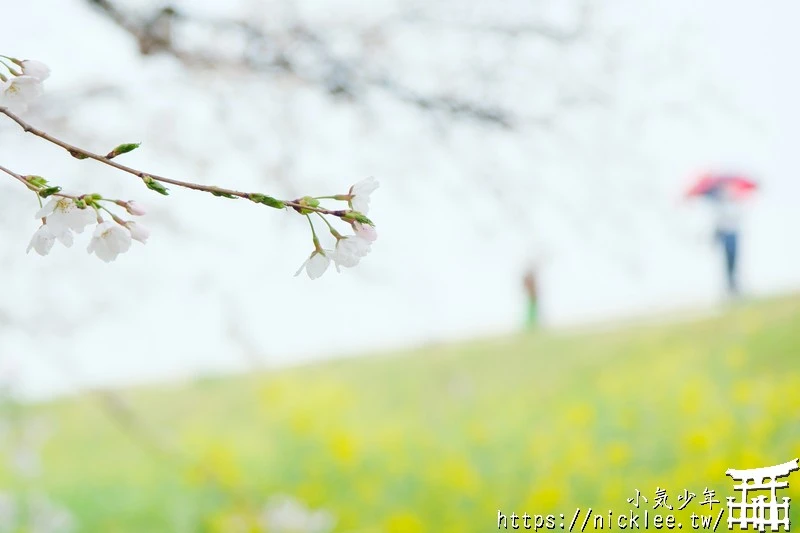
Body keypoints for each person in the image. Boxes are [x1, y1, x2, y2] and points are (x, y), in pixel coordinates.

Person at [713, 187, 743, 297]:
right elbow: (718, 225)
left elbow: (738, 220)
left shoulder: (735, 206)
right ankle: (730, 287)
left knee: (734, 261)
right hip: (726, 237)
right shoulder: (719, 208)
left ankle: (735, 286)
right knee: (728, 263)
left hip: (733, 236)